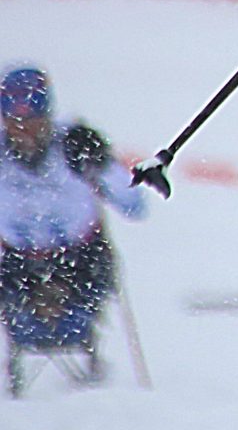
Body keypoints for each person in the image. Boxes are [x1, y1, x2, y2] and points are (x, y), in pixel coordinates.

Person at [1, 67, 146, 392]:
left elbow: (135, 205)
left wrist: (103, 162)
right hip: (16, 264)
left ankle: (91, 359)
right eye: (15, 122)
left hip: (79, 260)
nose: (24, 132)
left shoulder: (72, 145)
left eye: (34, 121)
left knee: (79, 304)